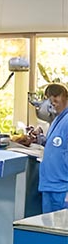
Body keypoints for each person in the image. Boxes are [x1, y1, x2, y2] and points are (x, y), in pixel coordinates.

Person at [38, 83, 68, 213]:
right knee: (47, 229)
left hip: (62, 188)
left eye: (56, 99)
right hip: (49, 185)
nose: (53, 103)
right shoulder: (57, 119)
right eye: (50, 99)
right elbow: (57, 145)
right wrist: (40, 139)